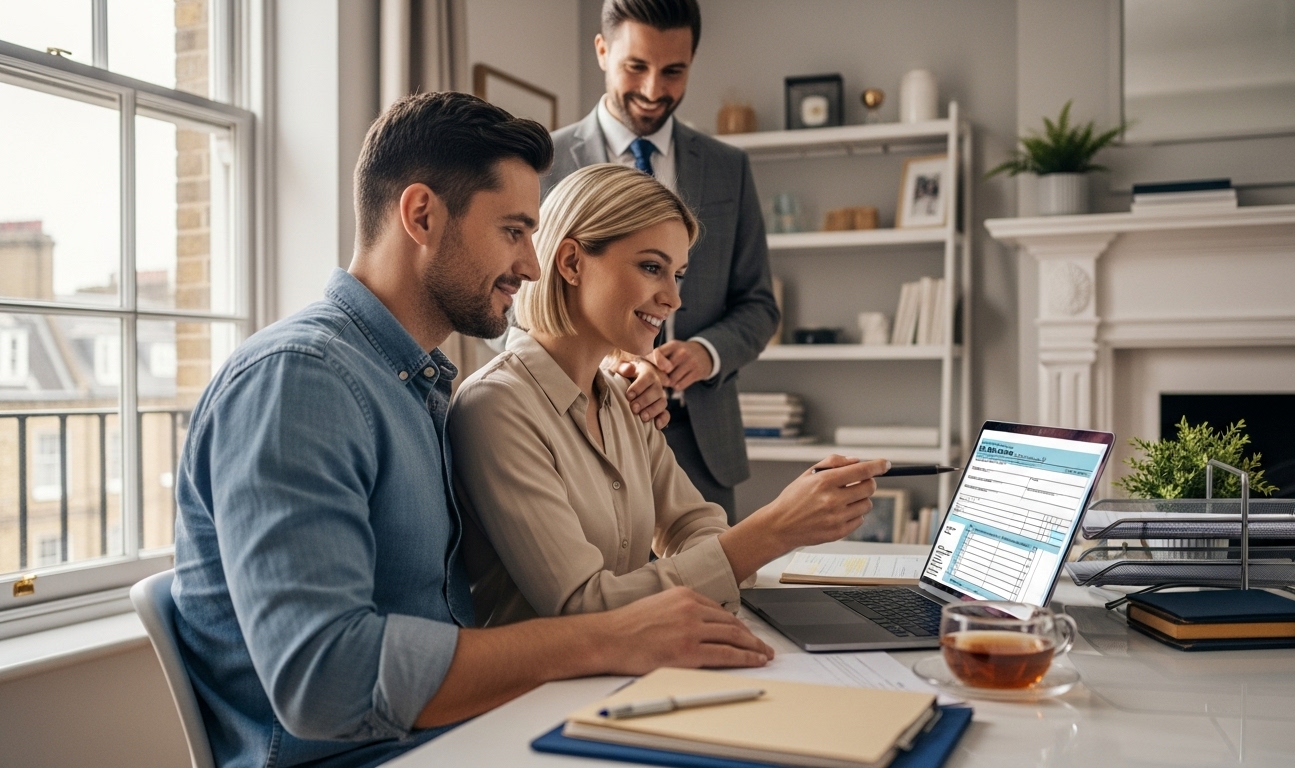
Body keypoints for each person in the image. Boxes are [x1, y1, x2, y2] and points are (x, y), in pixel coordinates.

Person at [171, 93, 772, 768]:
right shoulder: (301, 380)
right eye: (514, 231)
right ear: (422, 214)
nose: (532, 265)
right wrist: (607, 638)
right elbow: (325, 680)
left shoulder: (412, 383)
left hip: (467, 734)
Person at [448, 164, 889, 626]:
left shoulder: (626, 397)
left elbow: (691, 525)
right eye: (651, 267)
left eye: (677, 274)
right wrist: (773, 530)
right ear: (572, 262)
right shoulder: (496, 407)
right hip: (542, 693)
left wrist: (744, 547)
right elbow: (582, 607)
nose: (674, 299)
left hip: (633, 667)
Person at [543, 0, 777, 522]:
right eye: (636, 67)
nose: (653, 91)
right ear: (602, 51)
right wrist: (611, 361)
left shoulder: (727, 169)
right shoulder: (545, 161)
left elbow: (759, 304)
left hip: (702, 440)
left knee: (718, 585)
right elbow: (516, 301)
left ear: (692, 61)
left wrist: (706, 353)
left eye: (673, 71)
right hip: (581, 427)